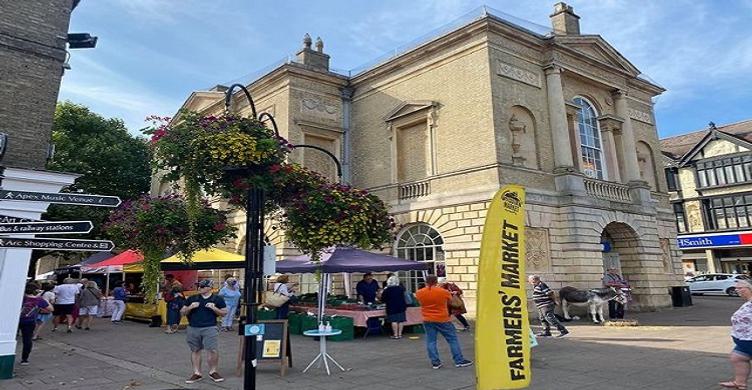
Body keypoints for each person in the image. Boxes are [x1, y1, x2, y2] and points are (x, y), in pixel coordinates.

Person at [415, 275, 473, 369]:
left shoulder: (419, 292)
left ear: (426, 282)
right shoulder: (443, 292)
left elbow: (419, 301)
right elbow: (452, 302)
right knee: (452, 340)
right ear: (436, 282)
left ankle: (435, 362)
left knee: (431, 341)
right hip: (442, 318)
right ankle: (459, 360)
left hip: (427, 318)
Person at [181, 279, 227, 384]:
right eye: (198, 286)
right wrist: (190, 307)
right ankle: (197, 373)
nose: (199, 288)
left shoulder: (217, 299)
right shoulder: (192, 298)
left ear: (209, 288)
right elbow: (182, 312)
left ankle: (213, 371)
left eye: (202, 286)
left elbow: (224, 313)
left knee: (212, 350)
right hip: (193, 327)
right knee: (195, 350)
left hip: (210, 327)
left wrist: (214, 308)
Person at [721, 279, 752, 389]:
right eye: (736, 288)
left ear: (749, 288)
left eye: (740, 288)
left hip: (749, 340)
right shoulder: (748, 302)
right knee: (737, 358)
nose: (737, 290)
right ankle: (740, 383)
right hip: (744, 341)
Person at [19, 282, 51, 365]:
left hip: (16, 320)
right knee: (27, 340)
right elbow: (51, 308)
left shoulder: (20, 297)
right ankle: (24, 359)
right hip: (29, 321)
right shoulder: (39, 300)